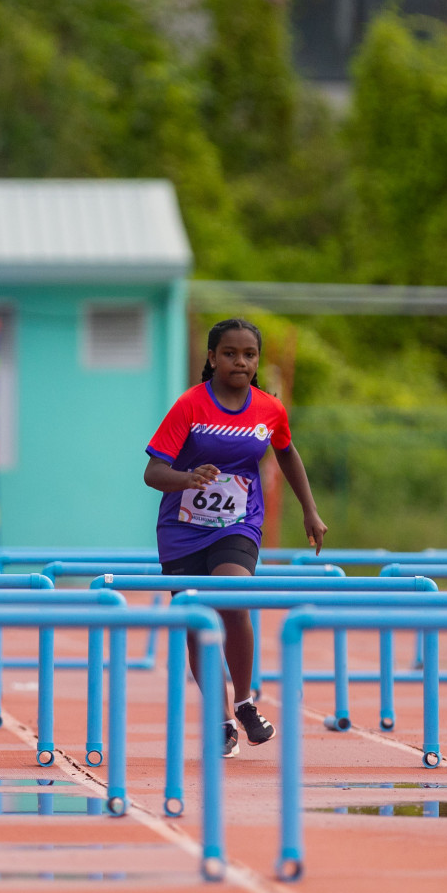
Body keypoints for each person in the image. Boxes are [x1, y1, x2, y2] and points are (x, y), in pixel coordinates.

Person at [144, 317, 327, 758]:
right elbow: (152, 473)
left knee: (232, 597)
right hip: (182, 529)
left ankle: (244, 701)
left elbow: (286, 452)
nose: (240, 362)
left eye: (249, 354)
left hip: (238, 523)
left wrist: (310, 509)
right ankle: (221, 717)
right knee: (195, 614)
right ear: (212, 358)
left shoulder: (269, 408)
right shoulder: (190, 406)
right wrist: (188, 478)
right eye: (230, 353)